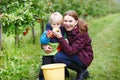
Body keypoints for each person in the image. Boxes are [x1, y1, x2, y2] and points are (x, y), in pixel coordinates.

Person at [53, 10, 94, 80]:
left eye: (70, 21)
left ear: (76, 22)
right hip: (75, 54)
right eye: (65, 21)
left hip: (84, 57)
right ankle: (68, 73)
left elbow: (71, 52)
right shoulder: (64, 28)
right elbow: (50, 25)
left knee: (59, 57)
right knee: (57, 56)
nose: (67, 24)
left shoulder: (82, 33)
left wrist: (60, 37)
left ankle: (81, 70)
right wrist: (44, 44)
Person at [39, 12, 69, 80]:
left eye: (58, 24)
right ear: (50, 24)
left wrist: (65, 40)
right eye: (54, 24)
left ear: (61, 24)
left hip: (57, 51)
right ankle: (42, 77)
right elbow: (42, 41)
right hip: (48, 52)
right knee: (45, 64)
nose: (56, 26)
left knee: (60, 64)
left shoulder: (62, 31)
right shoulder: (47, 32)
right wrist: (47, 37)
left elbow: (64, 39)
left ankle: (64, 75)